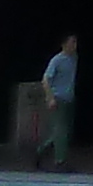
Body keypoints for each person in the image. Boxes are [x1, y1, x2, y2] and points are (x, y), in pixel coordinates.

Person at [34, 33, 81, 168]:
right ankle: (60, 161)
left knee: (65, 132)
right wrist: (50, 98)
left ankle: (42, 150)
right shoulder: (57, 60)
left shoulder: (74, 59)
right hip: (58, 98)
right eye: (72, 42)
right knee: (61, 130)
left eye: (75, 43)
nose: (74, 46)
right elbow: (46, 80)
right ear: (64, 44)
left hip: (69, 98)